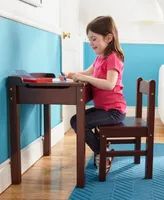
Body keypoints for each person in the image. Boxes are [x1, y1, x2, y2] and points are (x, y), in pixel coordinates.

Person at [59, 16, 126, 174]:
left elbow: (109, 84)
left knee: (79, 123)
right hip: (103, 109)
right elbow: (86, 73)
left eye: (94, 38)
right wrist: (69, 74)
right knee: (75, 120)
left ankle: (102, 153)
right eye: (89, 39)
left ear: (109, 38)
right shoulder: (100, 59)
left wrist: (85, 78)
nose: (91, 43)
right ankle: (103, 151)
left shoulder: (113, 58)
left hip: (113, 111)